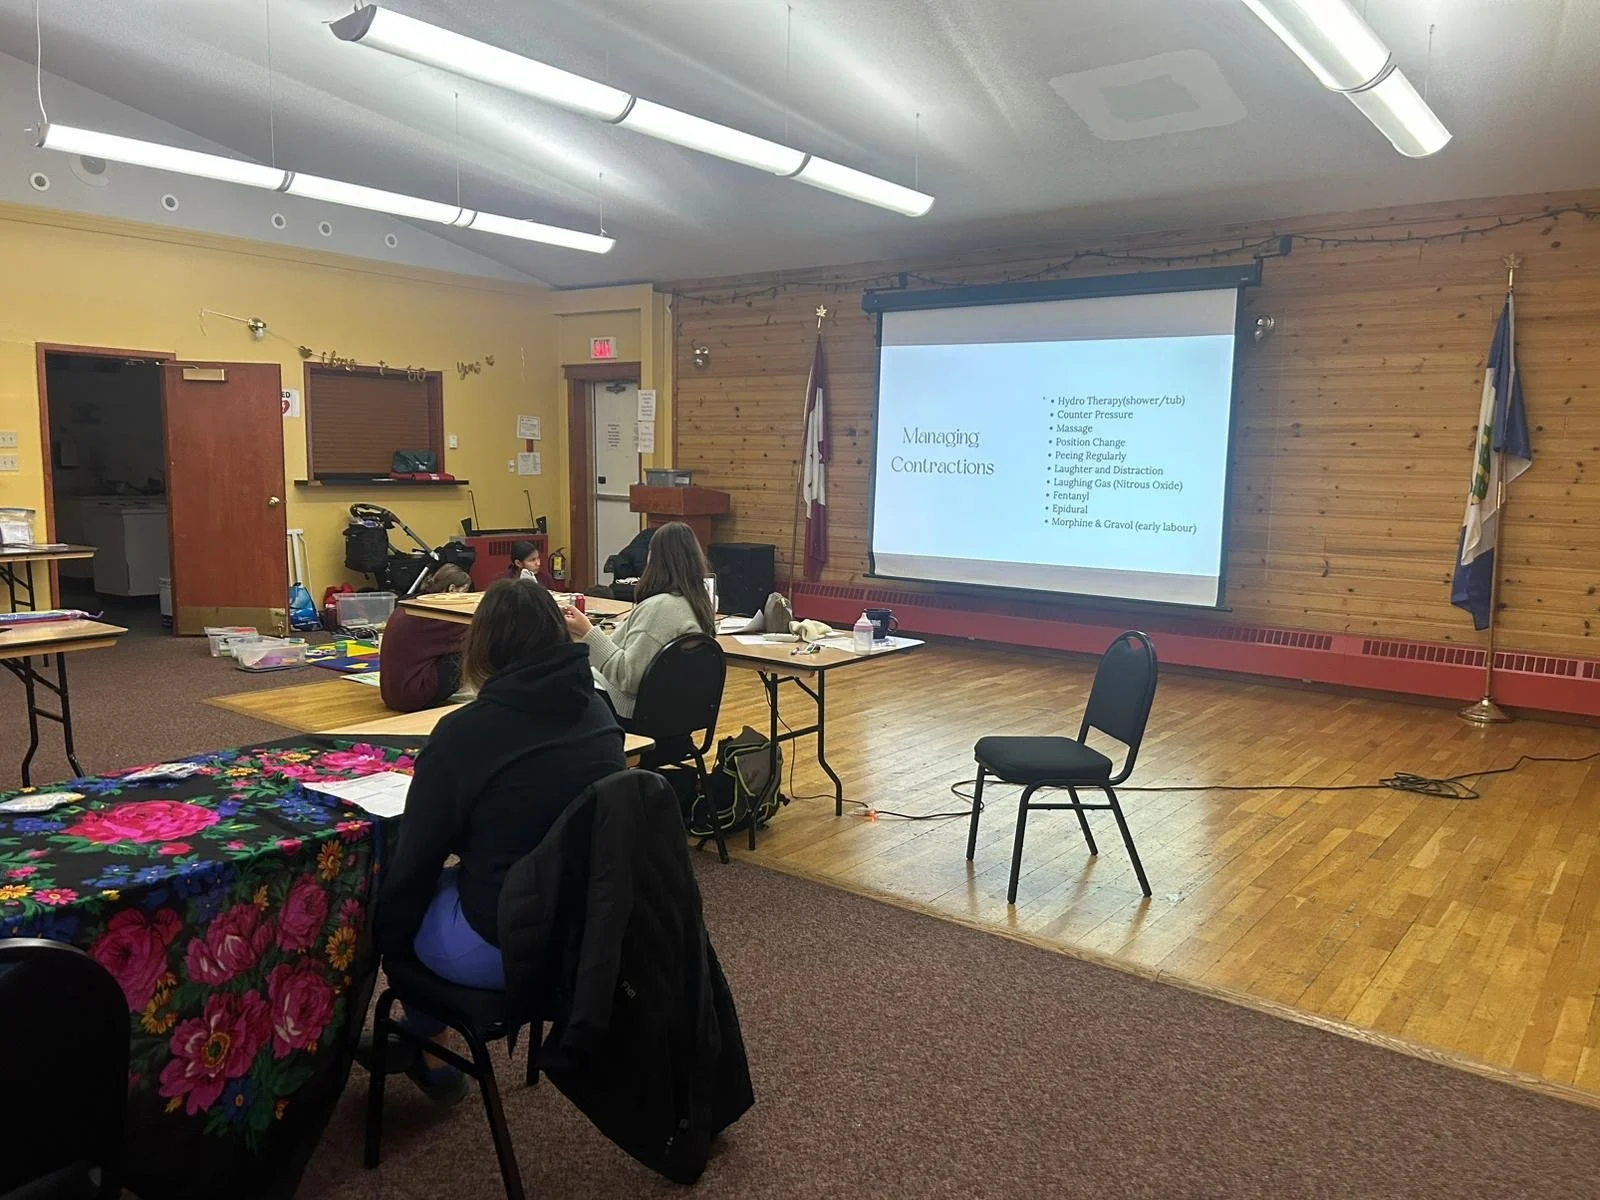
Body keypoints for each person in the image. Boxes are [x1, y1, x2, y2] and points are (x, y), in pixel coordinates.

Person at [374, 578, 627, 1100]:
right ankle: (425, 1040)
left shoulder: (466, 733)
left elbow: (415, 861)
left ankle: (429, 1046)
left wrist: (387, 948)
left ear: (480, 644)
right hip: (592, 939)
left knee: (396, 901)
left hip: (506, 944)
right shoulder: (600, 715)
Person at [561, 521, 715, 718]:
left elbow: (628, 679)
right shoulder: (699, 604)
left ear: (655, 558)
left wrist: (587, 633)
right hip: (674, 710)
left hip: (631, 709)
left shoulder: (659, 608)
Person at [377, 564, 471, 713]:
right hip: (412, 694)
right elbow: (475, 633)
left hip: (394, 691)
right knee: (475, 649)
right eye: (465, 592)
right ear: (452, 589)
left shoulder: (410, 604)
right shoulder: (438, 615)